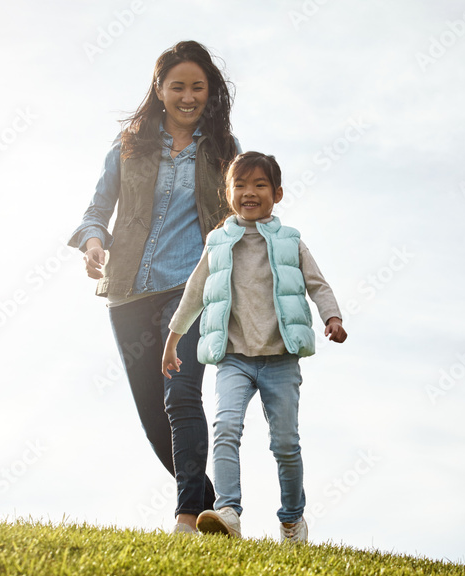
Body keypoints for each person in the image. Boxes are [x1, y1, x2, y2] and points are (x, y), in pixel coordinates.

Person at [68, 41, 239, 534]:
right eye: (178, 86)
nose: (188, 96)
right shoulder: (129, 145)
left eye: (198, 87)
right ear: (160, 90)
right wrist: (94, 242)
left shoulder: (223, 151)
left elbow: (242, 216)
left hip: (191, 290)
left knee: (180, 397)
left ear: (210, 93)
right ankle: (215, 511)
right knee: (153, 417)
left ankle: (187, 518)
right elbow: (96, 210)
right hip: (128, 294)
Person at [161, 151, 347, 544]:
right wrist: (173, 339)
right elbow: (195, 293)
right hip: (233, 360)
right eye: (240, 185)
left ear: (277, 193)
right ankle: (228, 510)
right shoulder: (218, 243)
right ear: (227, 193)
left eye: (260, 185)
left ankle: (293, 519)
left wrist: (332, 317)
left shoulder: (290, 241)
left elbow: (317, 284)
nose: (250, 192)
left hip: (280, 360)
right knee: (225, 426)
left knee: (285, 443)